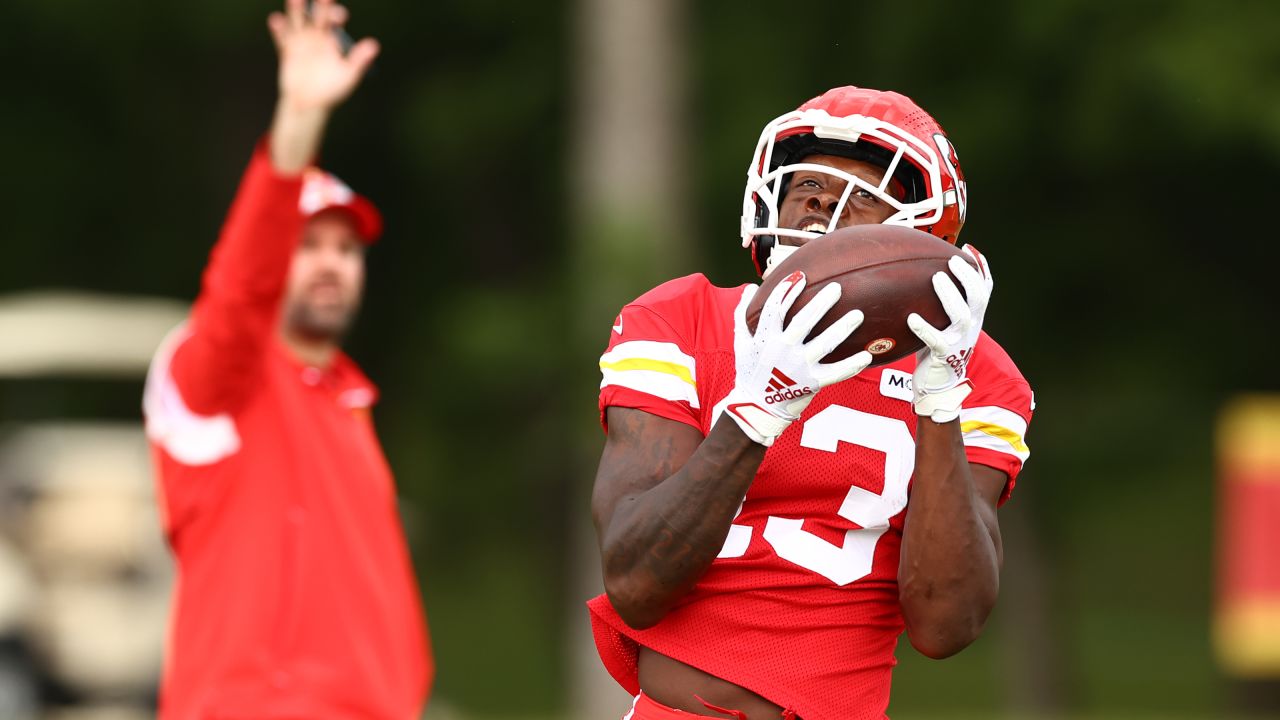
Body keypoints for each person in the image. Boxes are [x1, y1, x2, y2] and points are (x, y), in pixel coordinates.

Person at [588, 86, 1034, 720]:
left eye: (859, 198)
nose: (822, 207)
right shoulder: (680, 321)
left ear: (917, 238)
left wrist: (940, 399)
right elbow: (634, 583)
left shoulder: (979, 373)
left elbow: (947, 624)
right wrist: (760, 409)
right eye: (807, 189)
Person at [141, 2, 432, 717]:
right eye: (307, 245)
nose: (330, 264)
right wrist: (298, 119)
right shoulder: (211, 379)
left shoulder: (348, 402)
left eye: (345, 248)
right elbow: (240, 284)